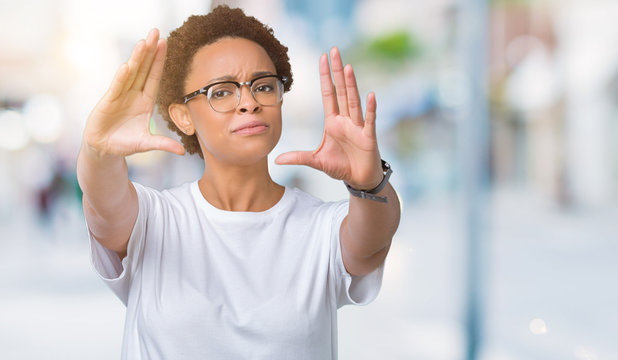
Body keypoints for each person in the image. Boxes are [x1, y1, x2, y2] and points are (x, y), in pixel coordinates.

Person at [77, 5, 400, 360]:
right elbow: (102, 203)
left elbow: (372, 237)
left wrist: (369, 182)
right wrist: (98, 152)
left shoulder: (321, 228)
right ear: (183, 117)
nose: (248, 102)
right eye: (221, 92)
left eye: (263, 86)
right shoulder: (155, 219)